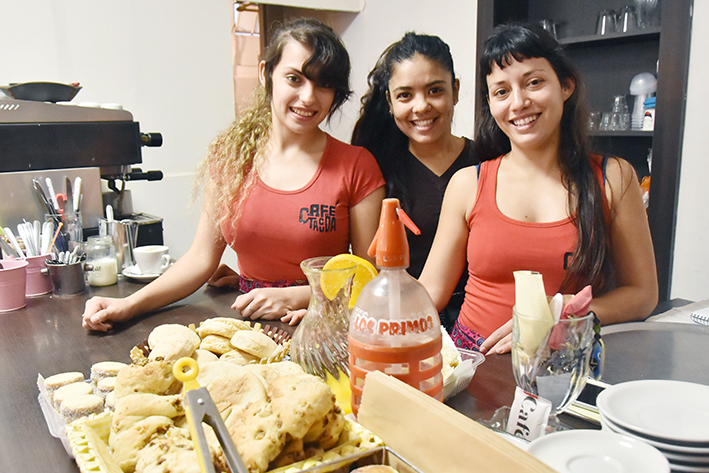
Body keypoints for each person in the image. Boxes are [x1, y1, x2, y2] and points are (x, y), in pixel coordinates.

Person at [82, 18, 385, 332]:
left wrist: (304, 296)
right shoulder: (232, 157)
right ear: (266, 73)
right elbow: (201, 258)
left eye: (324, 84)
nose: (309, 97)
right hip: (248, 325)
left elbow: (370, 278)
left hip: (323, 327)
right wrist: (128, 305)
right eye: (295, 79)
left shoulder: (357, 166)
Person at [419, 23, 658, 354]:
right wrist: (374, 304)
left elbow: (642, 294)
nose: (518, 103)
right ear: (489, 102)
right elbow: (431, 291)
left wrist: (562, 313)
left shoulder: (613, 178)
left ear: (565, 86)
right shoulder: (467, 184)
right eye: (501, 91)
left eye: (534, 82)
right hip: (475, 358)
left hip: (566, 358)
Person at [351, 32, 478, 331]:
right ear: (390, 101)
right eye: (405, 95)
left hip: (479, 322)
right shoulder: (376, 168)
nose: (421, 107)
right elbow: (365, 268)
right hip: (402, 320)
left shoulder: (488, 160)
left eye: (435, 90)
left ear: (455, 90)